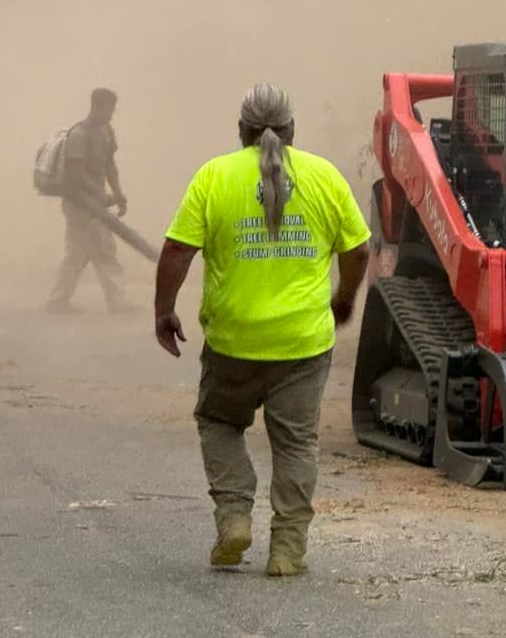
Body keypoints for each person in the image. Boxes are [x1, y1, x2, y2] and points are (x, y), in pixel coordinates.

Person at [155, 84, 370, 576]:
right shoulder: (325, 177)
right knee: (295, 443)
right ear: (291, 130)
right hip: (302, 342)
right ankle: (287, 549)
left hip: (234, 340)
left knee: (219, 422)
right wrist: (343, 298)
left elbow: (175, 251)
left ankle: (234, 517)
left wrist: (163, 311)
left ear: (241, 130)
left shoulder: (215, 176)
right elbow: (358, 252)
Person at [47, 87, 129, 314]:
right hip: (78, 204)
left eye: (113, 109)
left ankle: (61, 301)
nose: (111, 114)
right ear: (96, 106)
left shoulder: (106, 132)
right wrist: (101, 195)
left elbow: (110, 166)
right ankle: (60, 302)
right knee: (90, 251)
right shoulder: (79, 134)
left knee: (91, 251)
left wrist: (118, 193)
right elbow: (75, 173)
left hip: (95, 204)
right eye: (108, 109)